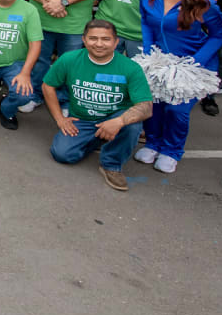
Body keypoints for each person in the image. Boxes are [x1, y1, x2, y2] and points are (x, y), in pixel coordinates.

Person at [133, 0, 222, 174]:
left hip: (192, 65)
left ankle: (172, 150)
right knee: (153, 105)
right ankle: (154, 143)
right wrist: (148, 51)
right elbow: (146, 22)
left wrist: (195, 61)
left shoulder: (204, 3)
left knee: (177, 110)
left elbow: (218, 35)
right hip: (158, 61)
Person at [42, 19, 153, 192]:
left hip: (115, 117)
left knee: (132, 125)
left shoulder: (130, 68)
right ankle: (99, 138)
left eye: (106, 39)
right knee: (62, 154)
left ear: (116, 42)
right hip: (82, 118)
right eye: (93, 38)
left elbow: (146, 106)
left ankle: (112, 165)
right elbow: (47, 85)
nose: (99, 44)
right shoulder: (69, 59)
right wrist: (60, 119)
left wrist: (119, 122)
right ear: (84, 40)